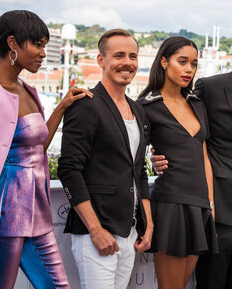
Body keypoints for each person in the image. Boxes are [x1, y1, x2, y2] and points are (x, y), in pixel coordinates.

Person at [0, 10, 91, 288]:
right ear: (13, 43)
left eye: (45, 45)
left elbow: (37, 149)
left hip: (38, 214)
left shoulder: (28, 89)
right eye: (37, 44)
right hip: (0, 218)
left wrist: (61, 107)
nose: (43, 53)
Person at [153, 21, 232, 288]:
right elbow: (182, 125)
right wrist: (160, 155)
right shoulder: (210, 87)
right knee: (212, 282)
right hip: (219, 206)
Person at [58, 29, 153, 289]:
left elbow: (139, 172)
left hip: (129, 231)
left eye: (132, 56)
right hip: (96, 233)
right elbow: (69, 170)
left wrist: (149, 224)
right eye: (119, 55)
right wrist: (96, 230)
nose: (127, 62)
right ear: (101, 60)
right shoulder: (86, 105)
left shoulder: (137, 110)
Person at [136, 36, 218, 288]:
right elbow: (134, 159)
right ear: (163, 62)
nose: (188, 69)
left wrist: (211, 205)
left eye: (193, 64)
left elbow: (203, 156)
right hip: (171, 204)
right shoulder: (146, 106)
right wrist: (152, 160)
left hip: (200, 205)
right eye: (182, 62)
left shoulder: (196, 103)